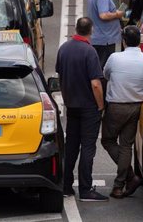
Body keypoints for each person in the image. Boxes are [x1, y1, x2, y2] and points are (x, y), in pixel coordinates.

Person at [55, 17, 108, 202]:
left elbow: (60, 77)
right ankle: (86, 189)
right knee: (87, 147)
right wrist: (100, 106)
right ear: (91, 30)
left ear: (76, 28)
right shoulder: (89, 52)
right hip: (88, 108)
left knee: (71, 147)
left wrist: (67, 98)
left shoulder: (64, 49)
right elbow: (95, 84)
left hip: (72, 106)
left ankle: (66, 186)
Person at [101, 25, 143, 199]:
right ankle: (119, 185)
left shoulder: (115, 58)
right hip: (137, 106)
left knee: (108, 140)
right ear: (139, 41)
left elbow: (106, 75)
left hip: (116, 105)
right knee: (126, 145)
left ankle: (130, 176)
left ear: (123, 41)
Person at [88, 0, 123, 68]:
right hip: (105, 40)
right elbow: (103, 15)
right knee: (103, 68)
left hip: (99, 37)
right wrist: (117, 14)